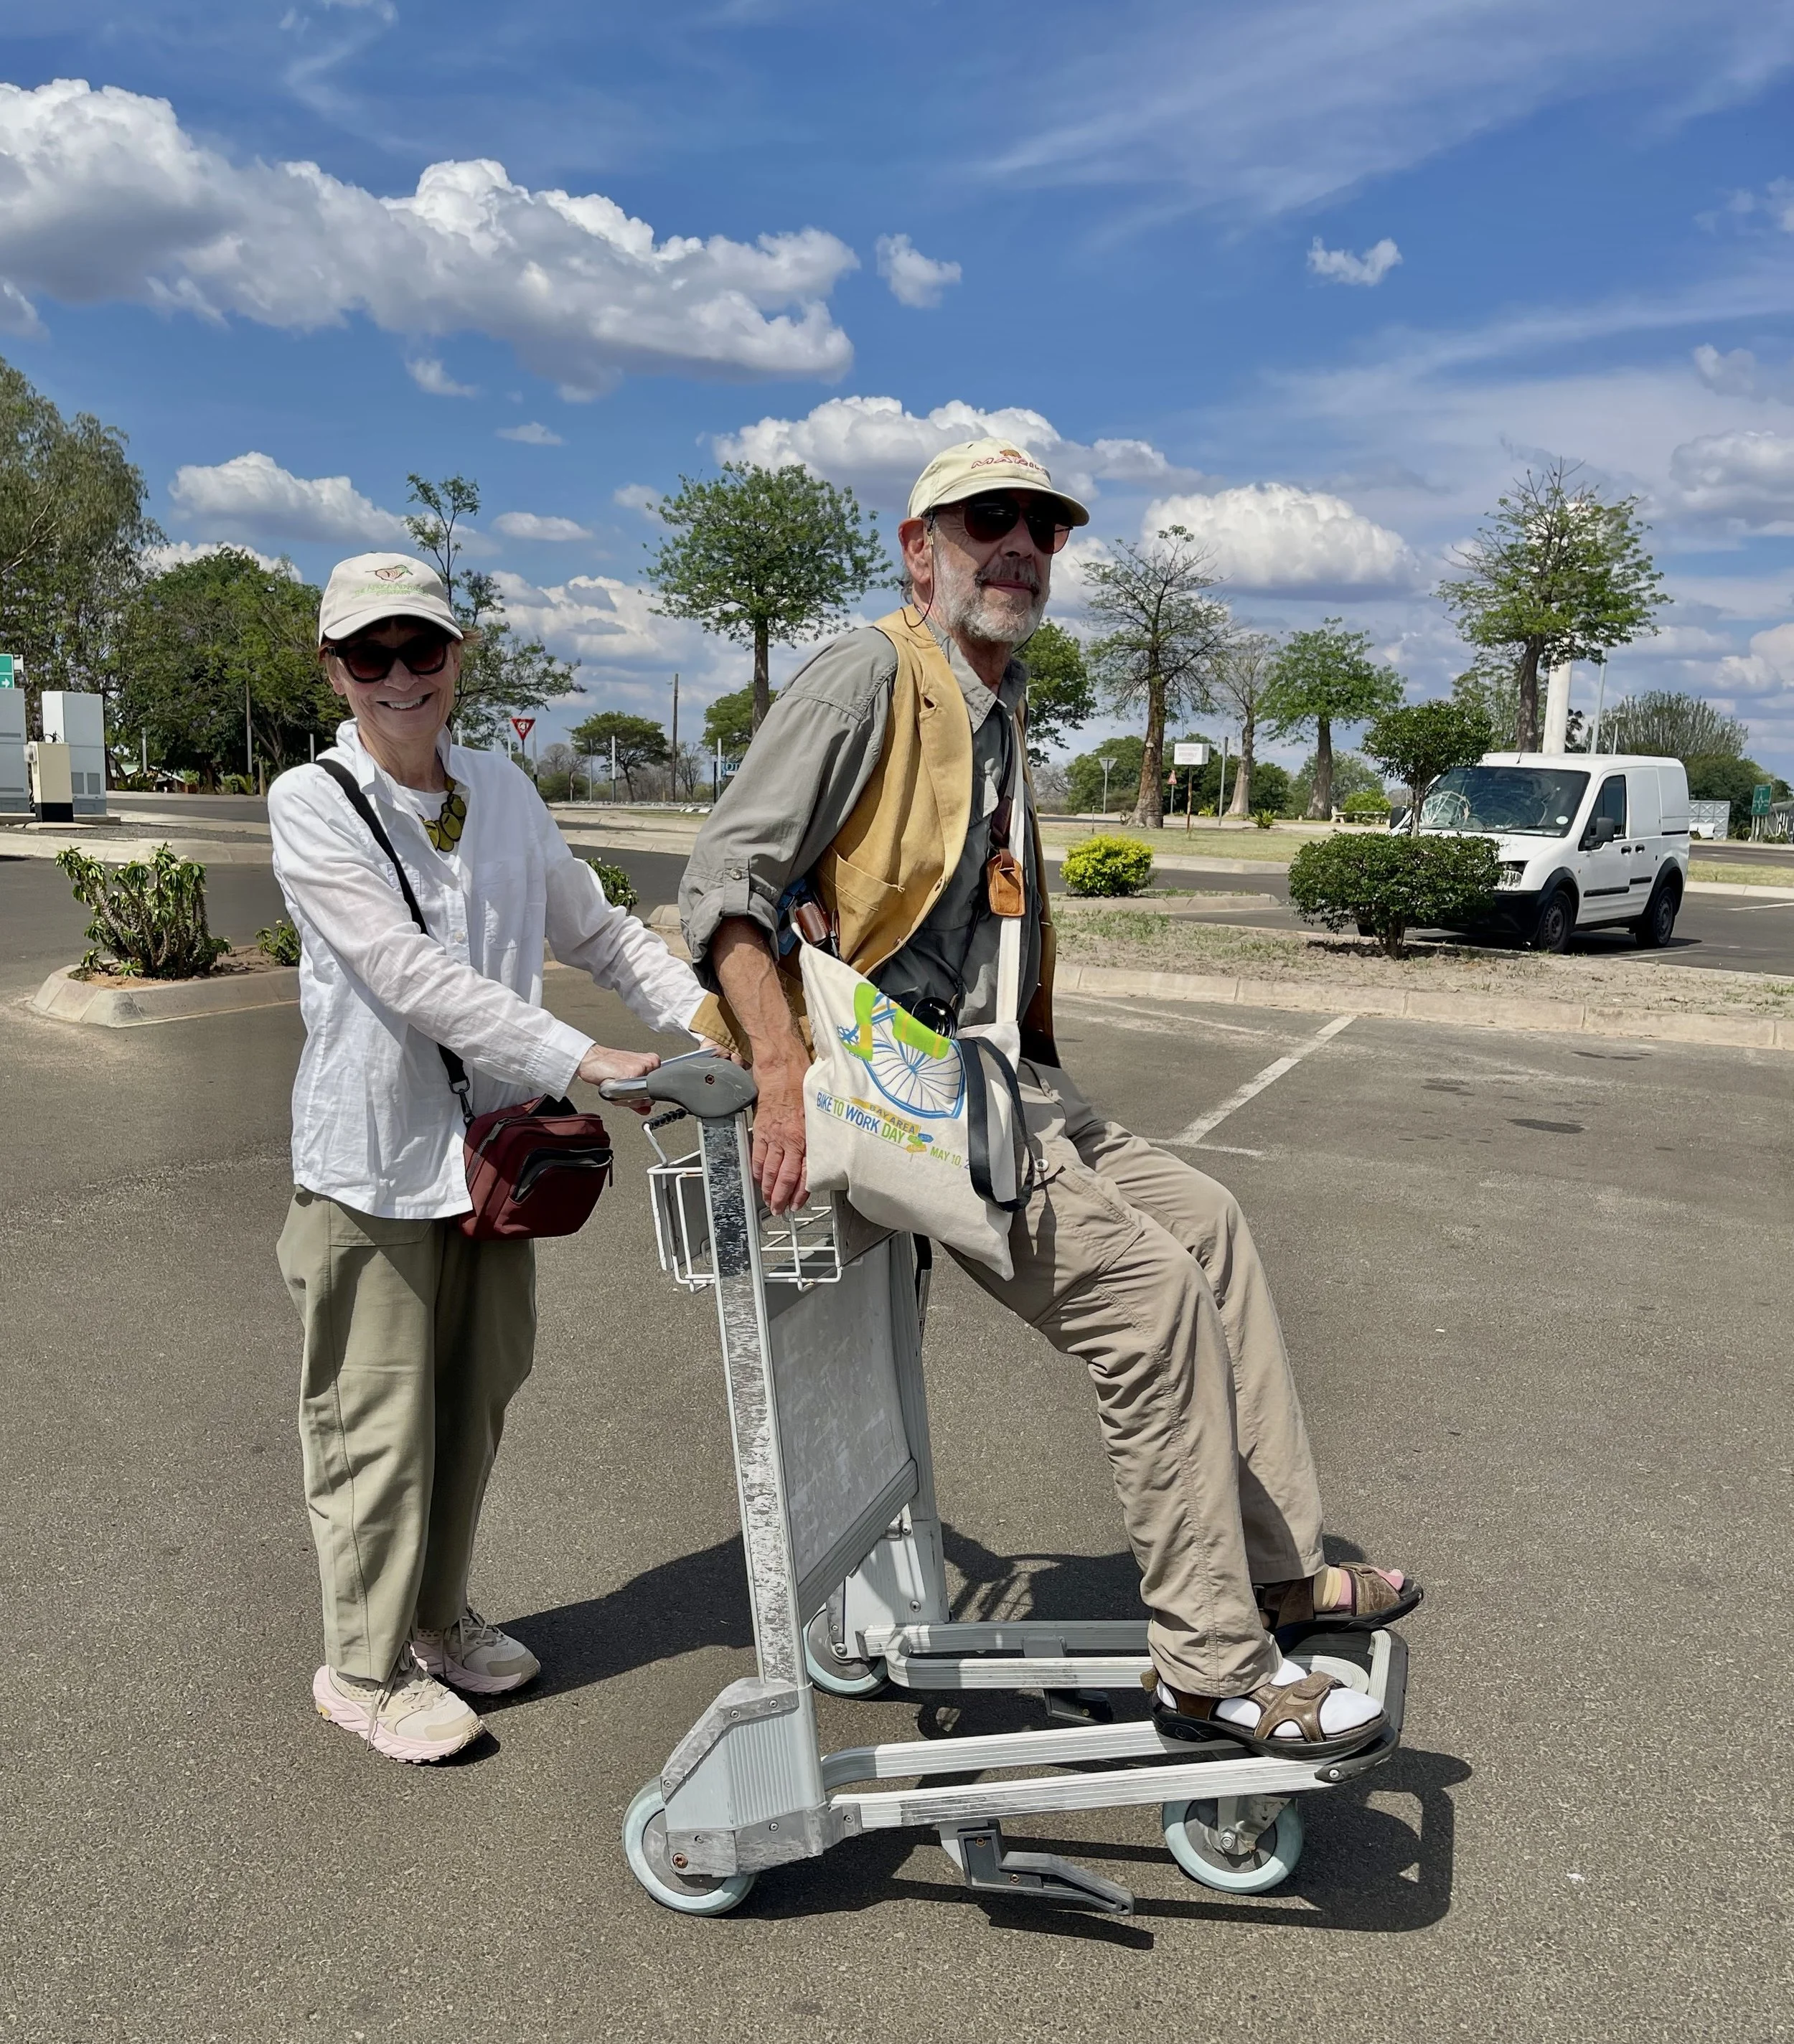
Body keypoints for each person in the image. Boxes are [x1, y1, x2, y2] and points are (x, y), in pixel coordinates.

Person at [680, 440, 1419, 1758]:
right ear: (924, 547)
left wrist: (1048, 1088)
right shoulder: (869, 676)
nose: (1018, 543)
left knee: (1211, 1226)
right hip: (895, 1092)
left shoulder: (1001, 700)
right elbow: (723, 879)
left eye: (1042, 526)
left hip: (998, 1082)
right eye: (986, 520)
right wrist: (779, 1083)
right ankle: (1210, 1666)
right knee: (1146, 1304)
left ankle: (1265, 1570)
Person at [270, 552, 709, 1763]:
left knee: (474, 1402)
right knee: (376, 1422)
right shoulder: (312, 801)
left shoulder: (504, 789)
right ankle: (358, 1670)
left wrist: (709, 1022)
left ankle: (436, 1621)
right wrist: (586, 1061)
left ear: (458, 655)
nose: (399, 676)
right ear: (336, 670)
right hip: (372, 1161)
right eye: (371, 655)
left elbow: (600, 927)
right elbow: (408, 976)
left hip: (493, 1162)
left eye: (421, 648)